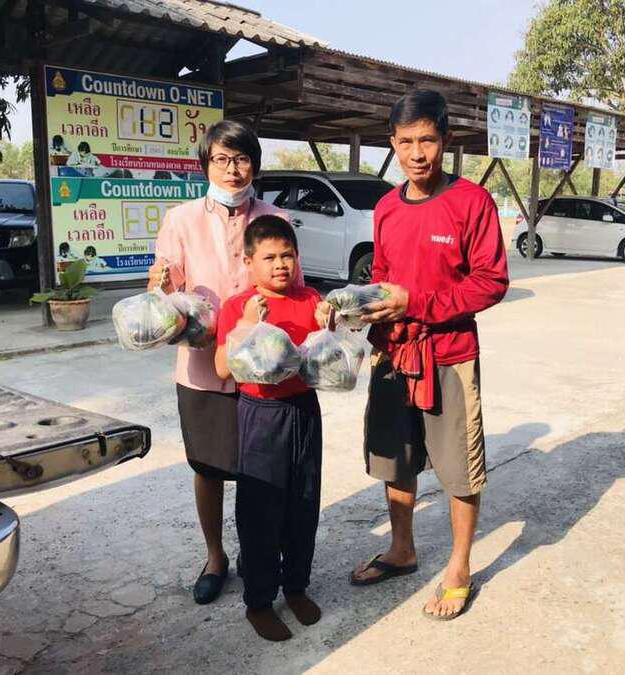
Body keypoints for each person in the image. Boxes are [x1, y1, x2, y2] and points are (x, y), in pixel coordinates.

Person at [349, 90, 509, 620]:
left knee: (459, 467)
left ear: (446, 140)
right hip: (394, 355)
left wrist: (415, 303)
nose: (417, 154)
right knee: (395, 458)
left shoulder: (472, 202)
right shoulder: (387, 207)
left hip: (449, 355)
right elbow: (382, 276)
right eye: (406, 142)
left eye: (428, 140)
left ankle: (460, 566)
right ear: (392, 144)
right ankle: (403, 549)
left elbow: (491, 282)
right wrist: (360, 307)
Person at [147, 120, 301, 606]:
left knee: (267, 470)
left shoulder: (275, 216)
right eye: (221, 159)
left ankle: (262, 555)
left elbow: (293, 285)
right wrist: (160, 287)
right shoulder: (181, 219)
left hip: (263, 372)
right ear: (205, 165)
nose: (232, 169)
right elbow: (164, 291)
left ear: (254, 164)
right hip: (202, 369)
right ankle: (215, 557)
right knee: (210, 467)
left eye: (242, 159)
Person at [214, 216, 329, 642]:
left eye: (287, 255)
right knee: (261, 510)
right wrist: (246, 324)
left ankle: (296, 586)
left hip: (304, 410)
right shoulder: (238, 306)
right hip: (261, 414)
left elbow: (322, 361)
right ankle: (259, 601)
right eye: (269, 257)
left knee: (304, 503)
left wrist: (330, 325)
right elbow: (223, 369)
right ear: (248, 262)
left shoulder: (310, 298)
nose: (280, 264)